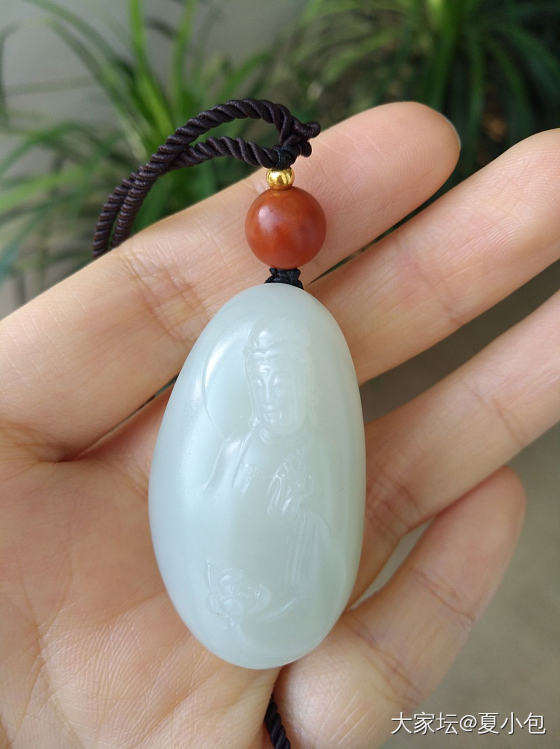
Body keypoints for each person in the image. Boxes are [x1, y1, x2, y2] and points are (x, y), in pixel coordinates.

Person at [0, 101, 558, 748]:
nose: (279, 393)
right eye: (270, 381)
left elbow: (312, 539)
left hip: (278, 601)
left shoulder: (306, 456)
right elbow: (206, 506)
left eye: (289, 380)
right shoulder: (236, 447)